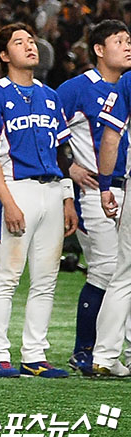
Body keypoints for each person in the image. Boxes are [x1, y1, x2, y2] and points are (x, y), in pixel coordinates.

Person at [0, 22, 77, 378]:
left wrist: (66, 197)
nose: (30, 47)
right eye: (19, 42)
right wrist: (6, 201)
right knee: (8, 277)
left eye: (31, 41)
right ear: (4, 55)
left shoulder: (51, 96)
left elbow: (60, 154)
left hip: (50, 188)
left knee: (46, 280)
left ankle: (35, 354)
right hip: (16, 189)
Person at [56, 19, 131, 374]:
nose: (128, 46)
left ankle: (112, 351)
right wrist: (67, 167)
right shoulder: (77, 88)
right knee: (106, 269)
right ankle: (85, 349)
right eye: (119, 41)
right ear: (99, 49)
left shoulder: (128, 87)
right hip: (93, 190)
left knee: (123, 271)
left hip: (124, 185)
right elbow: (44, 126)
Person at [90, 22, 131, 377]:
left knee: (124, 275)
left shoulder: (128, 83)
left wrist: (105, 184)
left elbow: (110, 137)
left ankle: (104, 354)